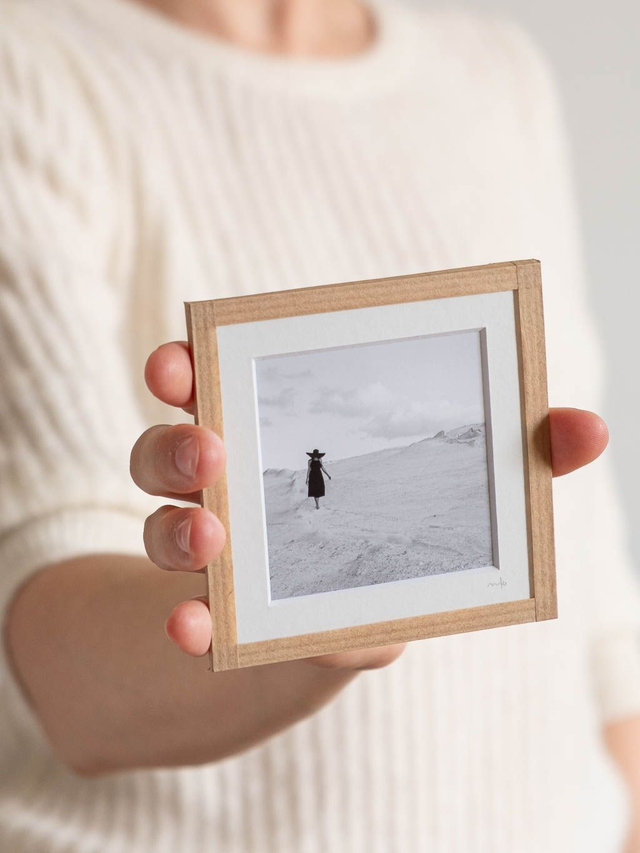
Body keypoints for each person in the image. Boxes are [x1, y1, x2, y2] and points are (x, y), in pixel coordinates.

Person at [2, 1, 640, 851]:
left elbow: (591, 572)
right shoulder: (28, 70)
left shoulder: (498, 73)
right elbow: (60, 681)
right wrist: (304, 627)